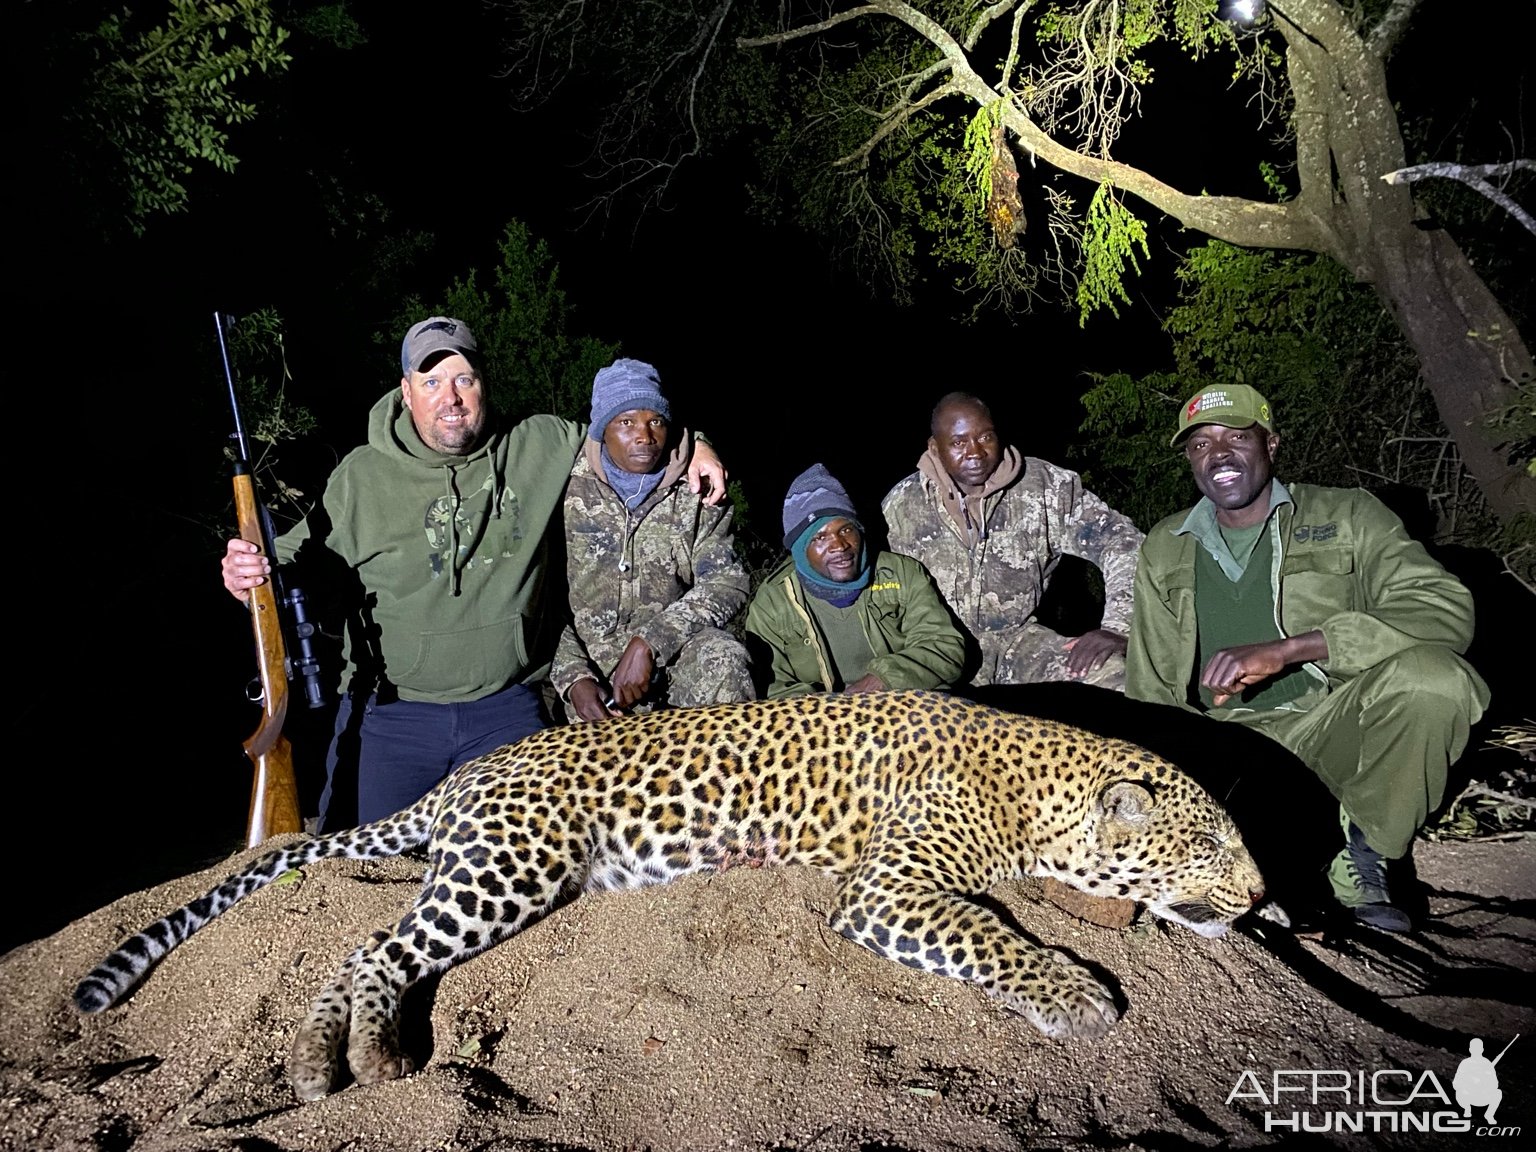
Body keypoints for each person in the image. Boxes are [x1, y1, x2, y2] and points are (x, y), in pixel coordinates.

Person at [221, 317, 728, 828]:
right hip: (395, 719)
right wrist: (246, 575)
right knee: (361, 868)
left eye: (464, 379)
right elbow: (287, 565)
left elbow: (630, 430)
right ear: (406, 392)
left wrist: (696, 446)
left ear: (484, 383)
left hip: (506, 714)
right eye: (432, 381)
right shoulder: (359, 478)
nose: (452, 397)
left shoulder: (539, 444)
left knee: (533, 869)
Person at [1125, 384, 1489, 933]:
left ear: (1271, 445)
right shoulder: (1165, 545)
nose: (1217, 453)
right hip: (1221, 751)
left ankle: (1368, 851)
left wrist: (1293, 649)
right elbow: (1148, 689)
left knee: (1436, 679)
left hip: (1331, 730)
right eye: (1200, 444)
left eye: (1236, 437)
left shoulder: (1348, 515)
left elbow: (1444, 610)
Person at [881, 392, 1143, 689]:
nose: (975, 452)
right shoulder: (902, 504)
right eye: (958, 442)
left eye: (986, 437)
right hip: (935, 652)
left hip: (1018, 647)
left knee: (1113, 677)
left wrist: (1118, 627)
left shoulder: (1044, 486)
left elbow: (1123, 541)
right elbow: (876, 586)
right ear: (934, 447)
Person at [552, 358, 754, 720]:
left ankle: (732, 773)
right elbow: (536, 599)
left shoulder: (697, 487)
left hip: (673, 657)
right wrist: (573, 678)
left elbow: (728, 581)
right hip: (588, 669)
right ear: (601, 429)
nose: (644, 436)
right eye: (626, 422)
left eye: (655, 421)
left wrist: (652, 641)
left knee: (724, 657)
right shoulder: (562, 486)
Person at [745, 463, 967, 698]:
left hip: (902, 706)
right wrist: (833, 711)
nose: (839, 546)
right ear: (800, 549)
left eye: (846, 530)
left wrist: (882, 680)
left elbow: (945, 647)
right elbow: (772, 686)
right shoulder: (772, 602)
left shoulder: (901, 573)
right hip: (820, 722)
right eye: (820, 537)